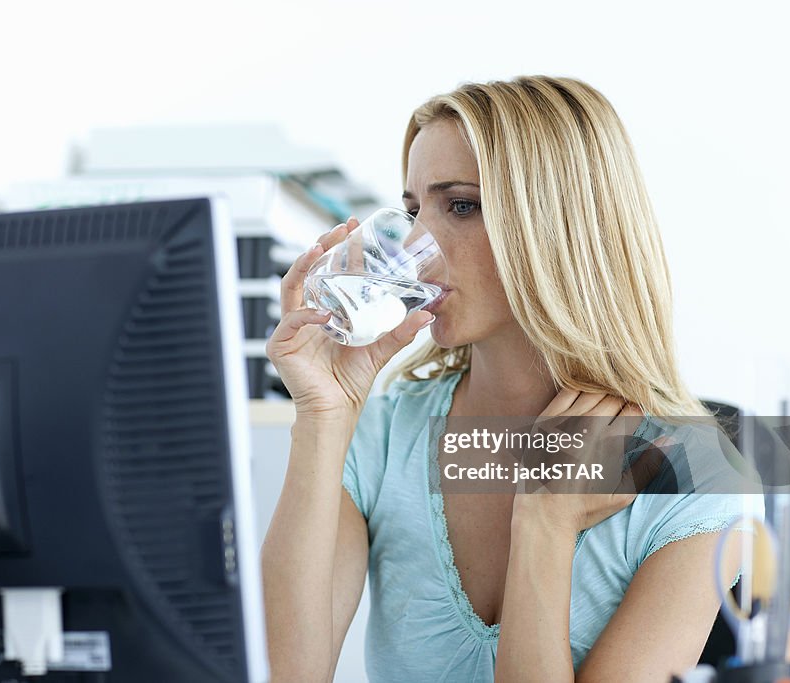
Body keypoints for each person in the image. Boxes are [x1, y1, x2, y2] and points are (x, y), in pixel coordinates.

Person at [262, 76, 747, 683]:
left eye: (460, 205)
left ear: (558, 228)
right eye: (413, 211)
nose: (414, 243)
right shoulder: (384, 434)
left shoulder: (695, 477)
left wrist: (544, 525)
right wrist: (322, 416)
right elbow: (285, 673)